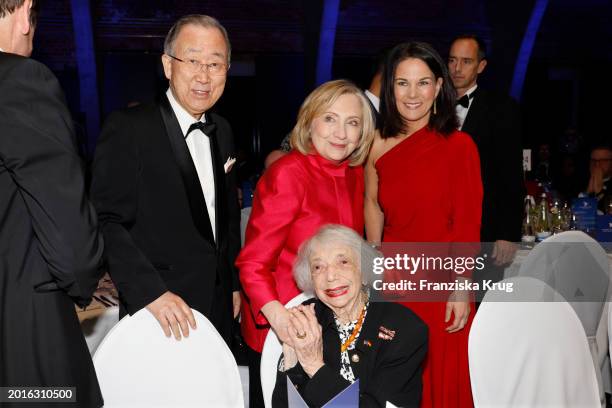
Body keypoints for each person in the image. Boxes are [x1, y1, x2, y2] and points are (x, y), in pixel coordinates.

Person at [91, 15, 241, 343]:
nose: (204, 75)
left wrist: (232, 283)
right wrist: (152, 293)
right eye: (192, 60)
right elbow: (106, 220)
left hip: (218, 308)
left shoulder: (224, 131)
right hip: (159, 310)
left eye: (215, 64)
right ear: (168, 65)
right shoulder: (129, 128)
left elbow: (226, 218)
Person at [237, 79, 375, 407]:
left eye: (352, 122)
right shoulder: (289, 173)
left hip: (332, 322)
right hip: (283, 321)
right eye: (330, 118)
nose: (341, 133)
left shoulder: (355, 175)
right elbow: (253, 264)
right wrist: (282, 322)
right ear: (309, 121)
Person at [365, 41, 482, 407]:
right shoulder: (378, 142)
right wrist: (374, 262)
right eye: (402, 83)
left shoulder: (459, 145)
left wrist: (462, 286)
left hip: (443, 279)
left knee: (443, 377)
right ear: (391, 88)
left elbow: (467, 220)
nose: (412, 94)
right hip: (396, 279)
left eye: (422, 83)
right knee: (397, 377)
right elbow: (372, 204)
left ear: (438, 87)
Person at [0, 0, 105, 406]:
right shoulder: (18, 82)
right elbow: (71, 244)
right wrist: (83, 281)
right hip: (24, 332)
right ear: (25, 11)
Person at [272, 225, 427, 407]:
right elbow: (281, 404)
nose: (330, 276)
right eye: (318, 267)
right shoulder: (308, 318)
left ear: (364, 272)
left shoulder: (404, 329)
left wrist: (314, 365)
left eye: (343, 262)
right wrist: (290, 365)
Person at [448, 34, 524, 271]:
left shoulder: (501, 108)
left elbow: (511, 173)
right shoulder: (428, 104)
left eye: (466, 61)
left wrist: (508, 233)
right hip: (437, 230)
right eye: (452, 60)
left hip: (484, 229)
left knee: (478, 303)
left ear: (481, 66)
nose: (457, 68)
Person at [586, 143, 612, 213]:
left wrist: (599, 192)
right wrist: (588, 193)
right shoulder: (578, 182)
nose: (597, 164)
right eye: (593, 160)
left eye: (603, 160)